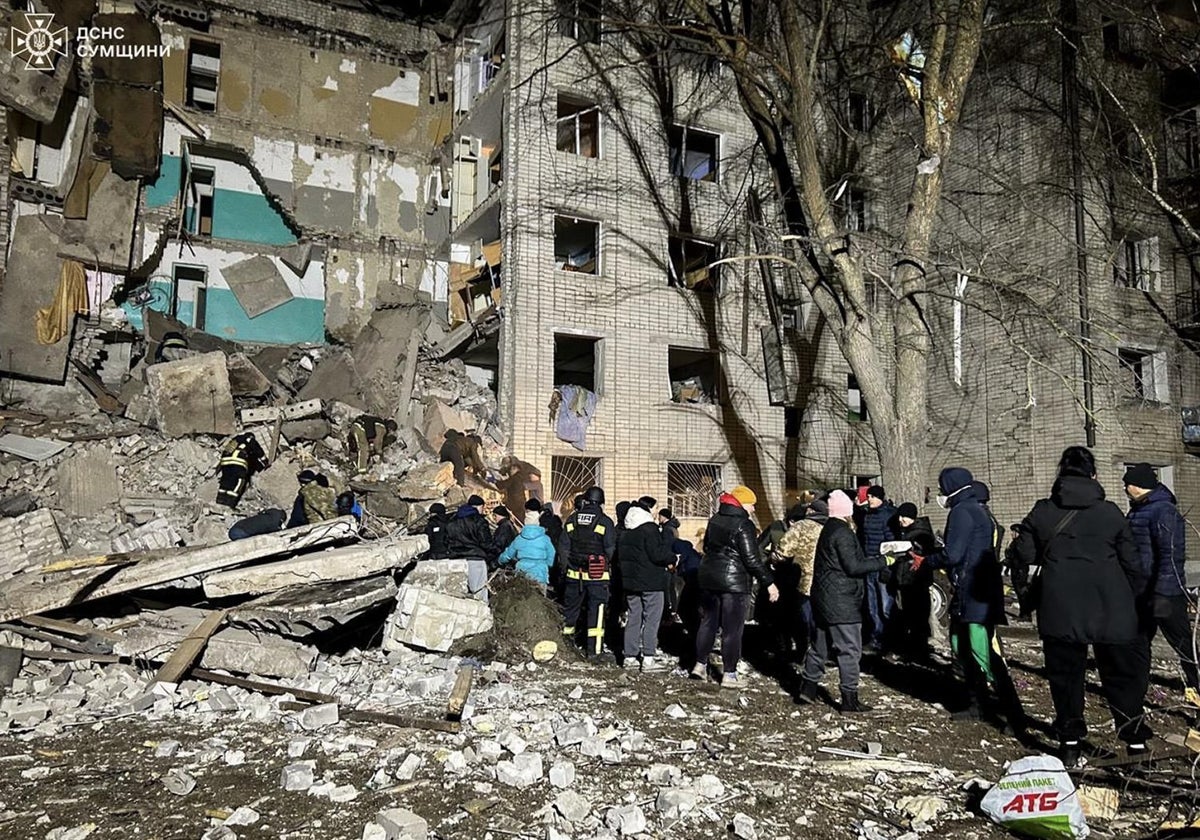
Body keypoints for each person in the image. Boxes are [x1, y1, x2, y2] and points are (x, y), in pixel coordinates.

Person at [1012, 446, 1151, 766]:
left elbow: (1025, 555)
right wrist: (1140, 603)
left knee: (1066, 679)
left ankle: (1071, 744)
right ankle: (1136, 745)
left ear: (1061, 474)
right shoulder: (1111, 512)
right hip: (1112, 607)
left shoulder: (1043, 511)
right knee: (1121, 678)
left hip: (1061, 608)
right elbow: (1133, 564)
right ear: (1094, 475)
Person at [919, 470, 1017, 725]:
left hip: (974, 591)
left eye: (941, 489)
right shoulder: (976, 509)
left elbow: (953, 554)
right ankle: (978, 704)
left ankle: (1011, 711)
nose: (940, 495)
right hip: (975, 589)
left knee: (979, 651)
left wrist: (927, 560)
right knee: (961, 646)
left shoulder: (962, 512)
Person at [798, 489, 885, 712]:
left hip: (823, 598)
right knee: (849, 650)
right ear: (847, 511)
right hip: (842, 601)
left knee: (819, 646)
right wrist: (884, 560)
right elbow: (854, 567)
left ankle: (807, 689)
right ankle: (849, 699)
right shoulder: (844, 533)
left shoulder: (827, 530)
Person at [1124, 462, 1198, 701]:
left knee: (1181, 643)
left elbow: (1171, 554)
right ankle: (1136, 690)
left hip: (1163, 593)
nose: (1125, 487)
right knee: (1138, 641)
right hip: (1141, 591)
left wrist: (1162, 591)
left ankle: (1196, 685)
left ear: (1139, 486)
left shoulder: (1162, 510)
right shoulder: (1138, 508)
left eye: (1129, 483)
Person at [691, 485, 779, 688]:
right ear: (742, 503)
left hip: (708, 577)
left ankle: (699, 665)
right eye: (752, 504)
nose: (754, 509)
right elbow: (751, 558)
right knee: (732, 630)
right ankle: (729, 674)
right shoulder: (744, 524)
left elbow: (706, 547)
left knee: (708, 623)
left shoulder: (715, 519)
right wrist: (769, 582)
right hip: (735, 582)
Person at [559, 486, 617, 659]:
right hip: (597, 576)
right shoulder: (605, 521)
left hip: (573, 575)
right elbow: (610, 549)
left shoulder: (572, 519)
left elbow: (563, 547)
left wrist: (567, 566)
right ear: (601, 502)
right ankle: (594, 651)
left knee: (570, 612)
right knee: (596, 612)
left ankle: (566, 648)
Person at [619, 502, 676, 671]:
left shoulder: (626, 532)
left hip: (631, 583)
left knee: (633, 616)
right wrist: (672, 558)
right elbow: (657, 554)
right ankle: (649, 657)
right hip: (651, 581)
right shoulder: (649, 530)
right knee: (651, 619)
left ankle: (629, 657)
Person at [883, 502, 938, 660]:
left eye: (905, 516)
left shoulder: (921, 534)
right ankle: (911, 649)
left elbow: (925, 553)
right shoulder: (904, 531)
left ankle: (918, 650)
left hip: (915, 580)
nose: (901, 519)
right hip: (905, 580)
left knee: (917, 617)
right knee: (907, 615)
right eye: (900, 516)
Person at [777, 498, 827, 653]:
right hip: (827, 582)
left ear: (811, 511)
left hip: (803, 580)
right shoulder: (832, 527)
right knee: (821, 619)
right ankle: (821, 649)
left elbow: (783, 551)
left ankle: (806, 649)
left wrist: (775, 560)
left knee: (804, 618)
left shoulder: (800, 526)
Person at [859, 486, 897, 651]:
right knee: (872, 605)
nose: (870, 499)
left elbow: (891, 541)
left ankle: (890, 640)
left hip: (882, 563)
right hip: (869, 562)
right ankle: (876, 638)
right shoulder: (867, 514)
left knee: (885, 605)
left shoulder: (888, 515)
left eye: (873, 496)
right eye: (869, 497)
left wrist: (887, 562)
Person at [498, 510, 556, 588]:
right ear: (538, 523)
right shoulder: (545, 539)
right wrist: (547, 564)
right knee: (540, 598)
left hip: (522, 574)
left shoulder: (519, 539)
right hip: (540, 574)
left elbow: (508, 554)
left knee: (524, 598)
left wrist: (500, 560)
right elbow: (552, 553)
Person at [215, 432, 268, 509]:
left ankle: (220, 501)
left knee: (226, 480)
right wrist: (265, 462)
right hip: (238, 462)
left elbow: (227, 450)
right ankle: (230, 504)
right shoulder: (249, 440)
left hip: (225, 462)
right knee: (239, 482)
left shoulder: (236, 439)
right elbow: (258, 451)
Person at [445, 493, 497, 566]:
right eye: (482, 507)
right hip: (475, 558)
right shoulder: (479, 521)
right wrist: (496, 551)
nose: (483, 510)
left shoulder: (452, 521)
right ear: (478, 506)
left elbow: (446, 540)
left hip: (456, 560)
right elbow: (485, 543)